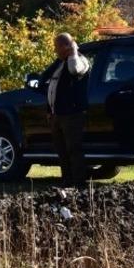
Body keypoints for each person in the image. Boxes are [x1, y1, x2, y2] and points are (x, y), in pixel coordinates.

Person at [41, 33, 90, 187]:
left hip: (72, 115)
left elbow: (75, 70)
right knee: (62, 151)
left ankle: (79, 184)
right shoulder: (59, 63)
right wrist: (50, 111)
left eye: (57, 47)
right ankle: (67, 182)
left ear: (66, 46)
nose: (55, 50)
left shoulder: (80, 60)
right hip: (57, 115)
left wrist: (73, 52)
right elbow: (46, 79)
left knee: (74, 150)